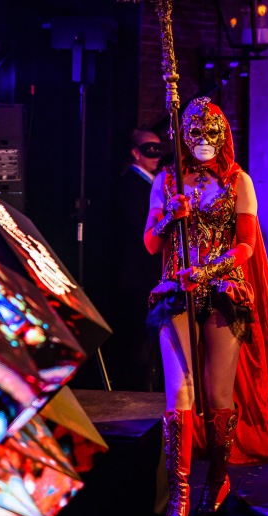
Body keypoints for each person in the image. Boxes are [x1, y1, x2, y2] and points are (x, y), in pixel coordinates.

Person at [144, 97, 268, 516]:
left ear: (223, 135)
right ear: (183, 135)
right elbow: (151, 243)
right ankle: (179, 494)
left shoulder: (239, 181)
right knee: (179, 392)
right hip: (176, 291)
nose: (203, 140)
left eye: (211, 132)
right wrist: (169, 218)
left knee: (218, 394)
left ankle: (217, 479)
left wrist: (208, 270)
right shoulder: (166, 180)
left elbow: (247, 245)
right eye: (195, 132)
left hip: (222, 290)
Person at [106, 128, 165, 392]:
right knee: (137, 341)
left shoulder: (152, 185)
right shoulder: (129, 186)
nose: (155, 155)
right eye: (148, 149)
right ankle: (134, 393)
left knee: (148, 341)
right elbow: (136, 230)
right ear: (135, 153)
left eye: (158, 149)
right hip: (136, 276)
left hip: (146, 273)